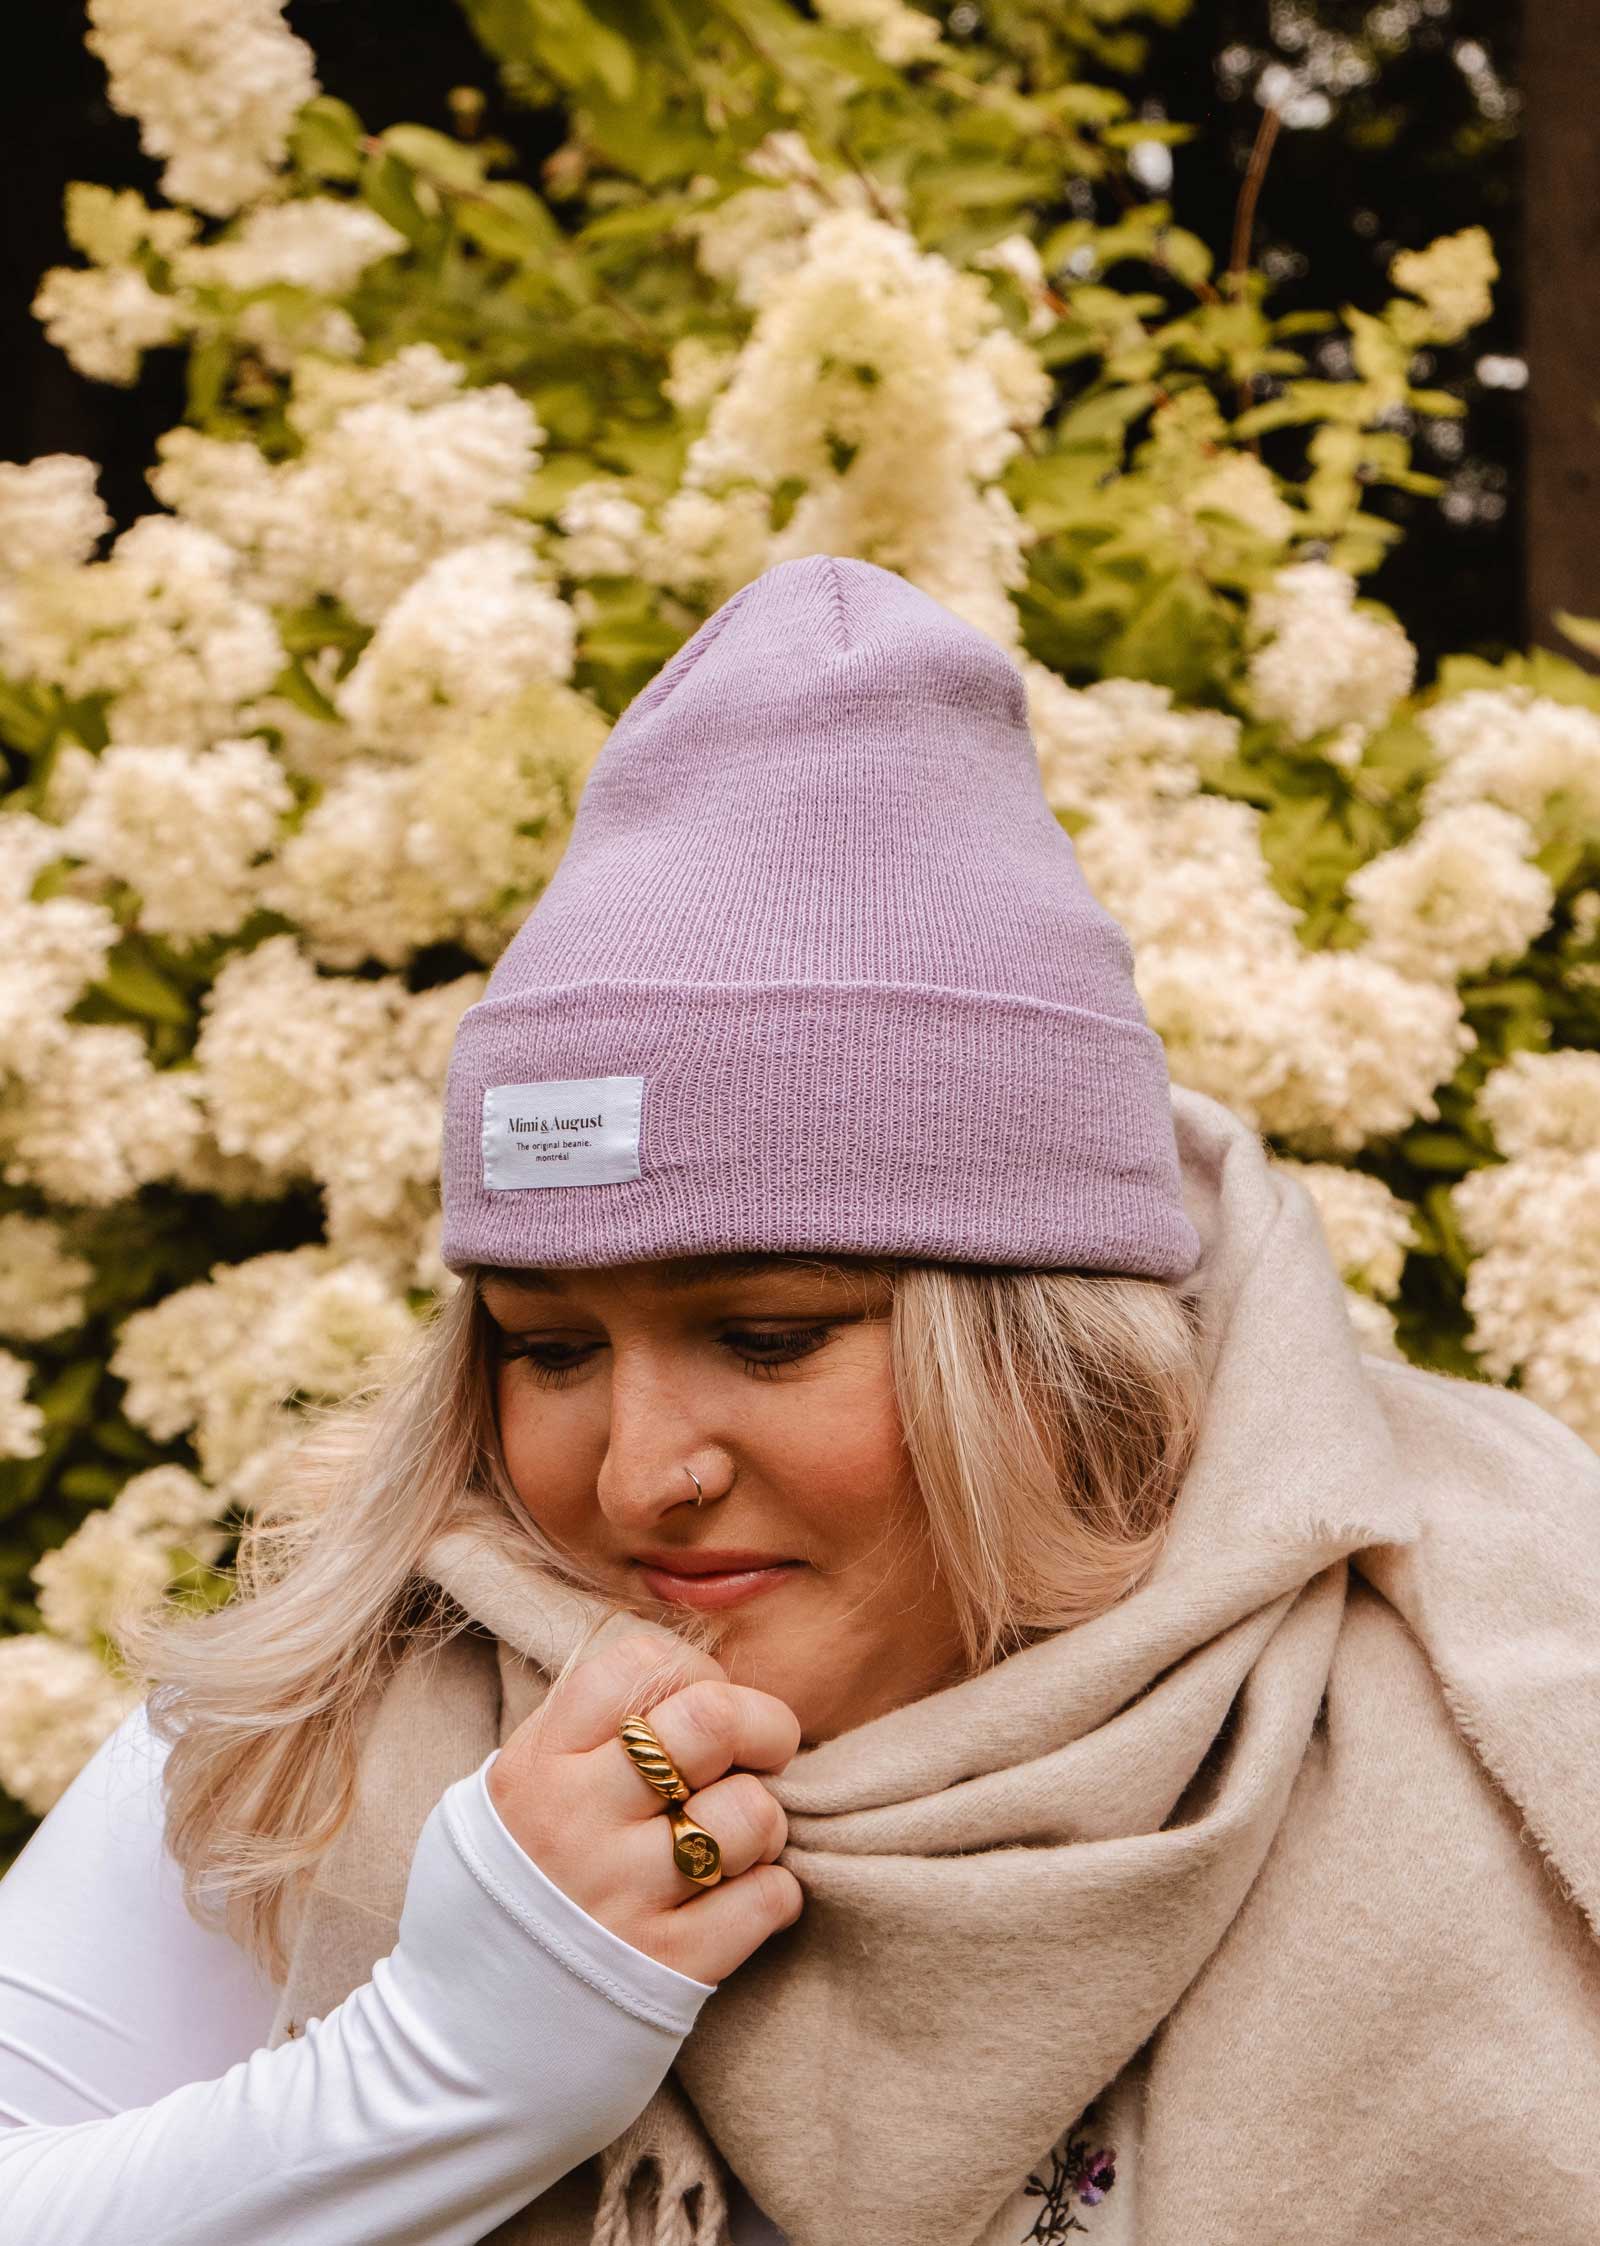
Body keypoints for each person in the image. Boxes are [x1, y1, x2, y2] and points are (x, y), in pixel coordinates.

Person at [3, 553, 1600, 2246]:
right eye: (550, 1347)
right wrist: (448, 2068)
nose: (638, 1477)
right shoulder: (316, 1714)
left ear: (1049, 1347)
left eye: (766, 1336)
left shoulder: (1499, 1688)